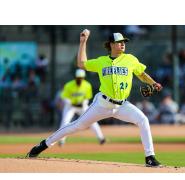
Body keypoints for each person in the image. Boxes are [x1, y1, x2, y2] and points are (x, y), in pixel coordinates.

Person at [27, 30, 163, 167]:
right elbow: (81, 63)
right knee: (76, 125)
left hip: (122, 105)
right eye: (119, 42)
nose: (122, 44)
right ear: (111, 44)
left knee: (143, 120)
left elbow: (141, 73)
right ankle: (44, 144)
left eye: (124, 42)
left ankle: (150, 157)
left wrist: (153, 83)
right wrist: (83, 42)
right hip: (102, 104)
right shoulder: (101, 62)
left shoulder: (130, 59)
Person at [58, 69, 106, 146]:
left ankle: (101, 138)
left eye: (81, 78)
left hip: (82, 106)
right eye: (78, 78)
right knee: (65, 121)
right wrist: (69, 102)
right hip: (70, 106)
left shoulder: (87, 85)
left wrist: (84, 102)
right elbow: (64, 97)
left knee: (92, 120)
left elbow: (87, 97)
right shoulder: (69, 85)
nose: (79, 79)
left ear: (83, 78)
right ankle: (61, 140)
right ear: (75, 77)